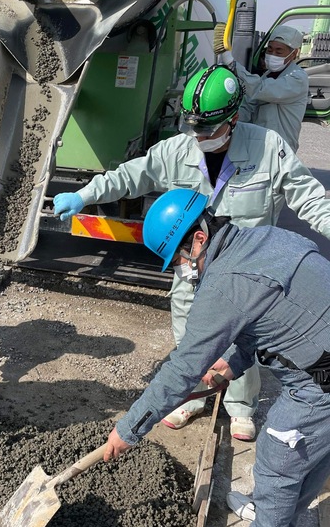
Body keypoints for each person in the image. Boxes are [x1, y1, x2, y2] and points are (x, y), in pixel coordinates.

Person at [53, 64, 330, 442]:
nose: (199, 136)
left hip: (248, 278)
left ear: (233, 119)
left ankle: (240, 408)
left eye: (208, 129)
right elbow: (130, 175)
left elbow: (311, 199)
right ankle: (191, 398)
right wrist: (84, 194)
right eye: (194, 127)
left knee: (245, 340)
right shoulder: (177, 150)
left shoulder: (268, 148)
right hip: (194, 271)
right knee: (190, 340)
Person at [104, 188, 330, 527]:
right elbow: (266, 317)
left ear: (200, 237)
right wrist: (232, 365)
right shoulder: (259, 239)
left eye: (178, 256)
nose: (180, 267)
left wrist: (128, 429)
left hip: (320, 376)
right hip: (317, 353)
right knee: (310, 450)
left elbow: (182, 369)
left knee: (282, 449)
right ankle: (274, 512)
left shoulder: (223, 283)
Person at [219, 25, 308, 151]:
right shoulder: (268, 74)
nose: (272, 54)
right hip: (259, 143)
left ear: (294, 54)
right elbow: (250, 105)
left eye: (279, 51)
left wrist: (234, 65)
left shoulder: (298, 78)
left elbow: (260, 89)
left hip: (280, 147)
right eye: (270, 49)